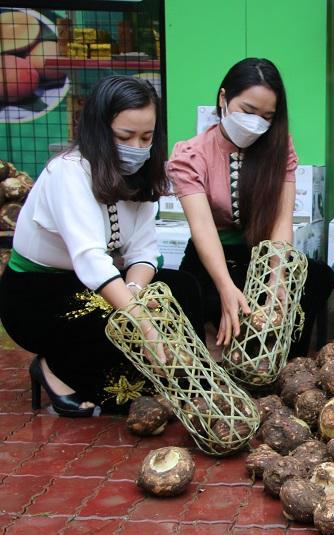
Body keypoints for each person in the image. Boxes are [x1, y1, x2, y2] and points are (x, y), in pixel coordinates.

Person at [0, 76, 203, 417]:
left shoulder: (141, 175)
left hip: (96, 282)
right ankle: (55, 368)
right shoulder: (68, 172)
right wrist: (143, 323)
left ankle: (173, 378)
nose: (137, 147)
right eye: (124, 137)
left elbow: (143, 252)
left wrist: (135, 293)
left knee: (182, 288)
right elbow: (91, 259)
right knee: (113, 321)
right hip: (38, 294)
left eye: (146, 137)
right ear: (98, 131)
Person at [167, 58, 334, 356]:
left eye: (267, 116)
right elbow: (202, 228)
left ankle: (286, 362)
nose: (257, 122)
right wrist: (225, 287)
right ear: (223, 98)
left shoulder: (279, 147)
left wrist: (277, 279)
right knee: (194, 294)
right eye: (248, 110)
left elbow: (281, 222)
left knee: (315, 278)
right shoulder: (191, 154)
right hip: (212, 259)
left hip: (259, 256)